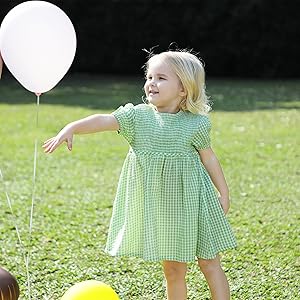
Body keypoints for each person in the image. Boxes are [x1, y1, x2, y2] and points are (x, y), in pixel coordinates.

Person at [43, 49, 237, 300]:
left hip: (195, 202)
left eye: (161, 78)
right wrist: (72, 127)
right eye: (149, 77)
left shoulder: (195, 124)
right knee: (173, 269)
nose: (151, 83)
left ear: (183, 89)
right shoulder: (137, 117)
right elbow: (104, 120)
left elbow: (208, 157)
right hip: (164, 209)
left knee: (209, 262)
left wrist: (223, 191)